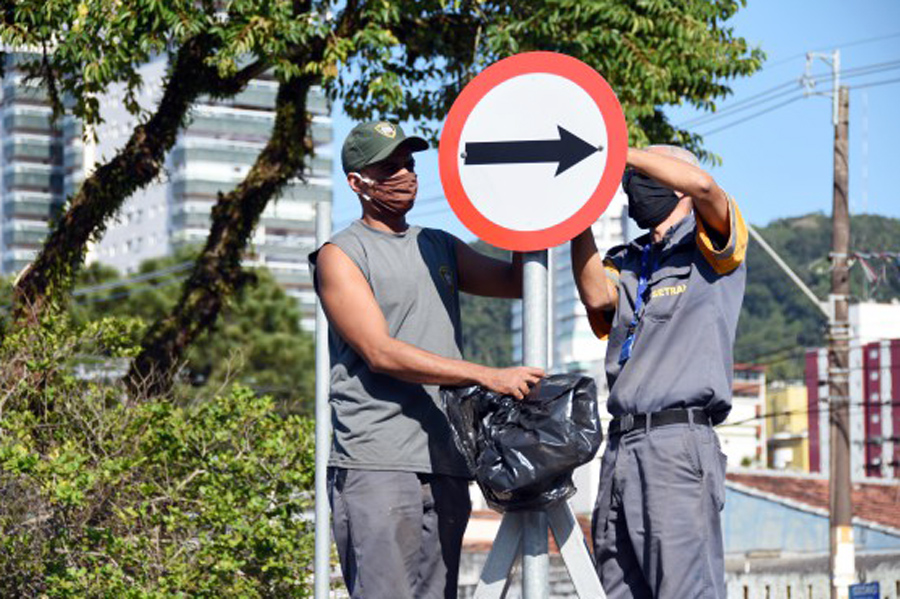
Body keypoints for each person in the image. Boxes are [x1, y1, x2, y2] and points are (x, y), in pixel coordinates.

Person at [310, 120, 544, 599]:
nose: (406, 176)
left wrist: (528, 208)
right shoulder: (341, 254)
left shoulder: (437, 244)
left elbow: (519, 281)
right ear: (357, 182)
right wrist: (488, 376)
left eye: (409, 165)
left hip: (446, 458)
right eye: (389, 167)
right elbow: (379, 352)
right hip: (378, 462)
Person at [570, 145, 748, 598]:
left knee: (683, 588)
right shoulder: (629, 259)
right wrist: (576, 219)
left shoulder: (711, 243)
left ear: (679, 179)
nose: (634, 185)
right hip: (621, 444)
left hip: (677, 440)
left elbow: (706, 188)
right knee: (618, 584)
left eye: (644, 174)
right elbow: (596, 297)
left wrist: (617, 150)